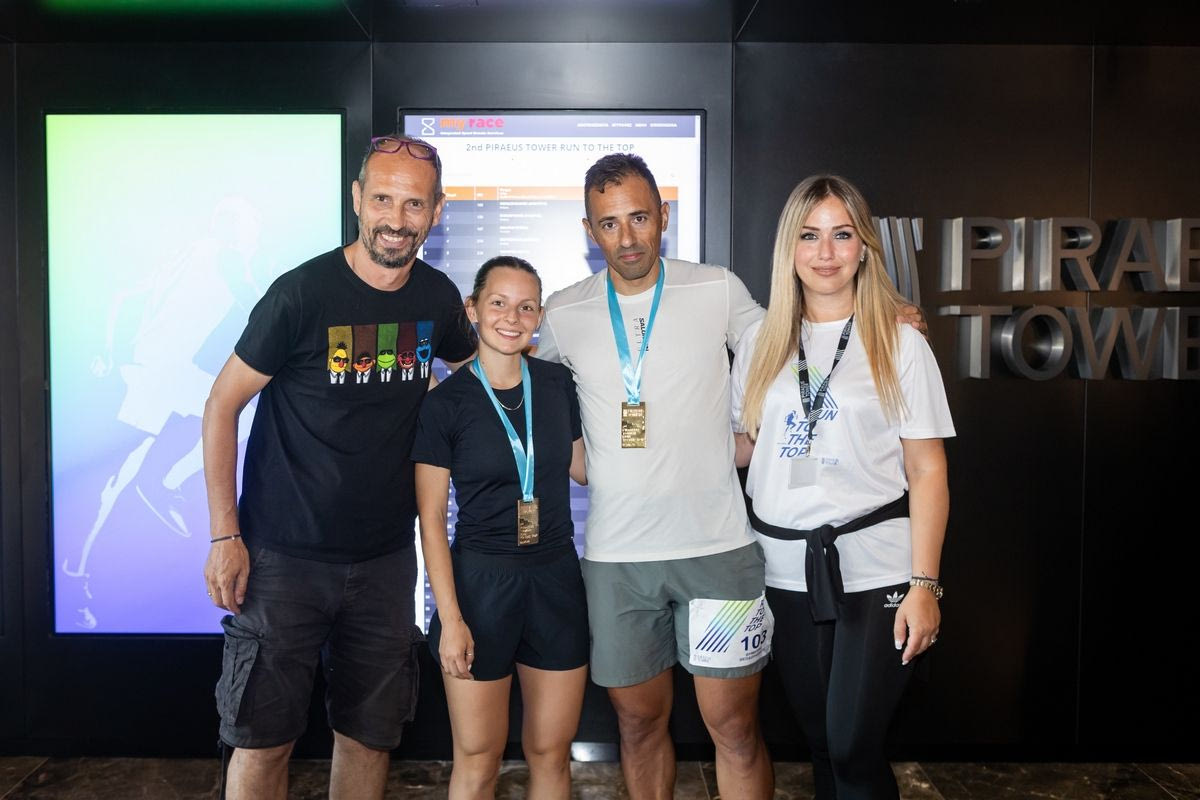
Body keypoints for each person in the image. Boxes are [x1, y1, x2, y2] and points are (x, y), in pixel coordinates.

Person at [201, 134, 476, 800]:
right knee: (263, 741)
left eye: (414, 204)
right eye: (382, 199)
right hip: (282, 561)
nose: (396, 219)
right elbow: (221, 405)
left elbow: (477, 377)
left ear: (436, 211)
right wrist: (224, 534)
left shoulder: (437, 297)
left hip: (386, 563)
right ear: (357, 199)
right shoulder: (301, 294)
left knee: (369, 737)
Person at [534, 153, 774, 800]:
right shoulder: (565, 312)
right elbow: (511, 375)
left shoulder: (715, 288)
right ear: (589, 231)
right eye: (609, 224)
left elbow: (786, 339)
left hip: (717, 552)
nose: (627, 238)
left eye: (639, 217)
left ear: (663, 215)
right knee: (638, 727)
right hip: (618, 562)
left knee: (735, 729)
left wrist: (876, 314)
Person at [731, 174, 954, 800]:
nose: (825, 252)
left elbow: (927, 470)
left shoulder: (900, 342)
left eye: (841, 235)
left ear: (864, 248)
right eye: (809, 236)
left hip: (877, 571)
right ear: (789, 249)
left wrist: (925, 585)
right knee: (824, 747)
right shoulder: (759, 341)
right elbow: (744, 448)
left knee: (853, 745)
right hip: (783, 573)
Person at [412, 256, 589, 800]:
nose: (512, 318)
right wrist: (451, 619)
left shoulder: (557, 384)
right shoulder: (444, 404)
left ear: (539, 316)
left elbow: (585, 468)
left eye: (526, 307)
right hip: (480, 587)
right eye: (498, 303)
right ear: (472, 310)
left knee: (551, 754)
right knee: (477, 759)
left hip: (556, 581)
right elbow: (431, 522)